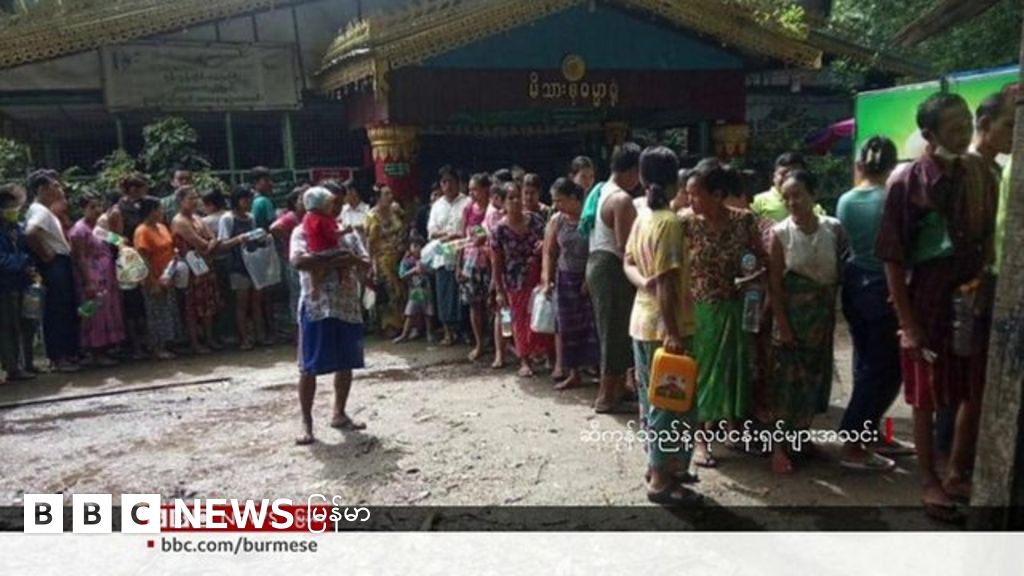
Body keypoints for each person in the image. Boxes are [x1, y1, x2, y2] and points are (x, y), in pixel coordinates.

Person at [876, 93, 998, 520]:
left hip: (970, 298)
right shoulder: (908, 182)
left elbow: (987, 237)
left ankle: (957, 472)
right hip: (925, 301)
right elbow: (892, 257)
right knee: (925, 394)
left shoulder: (979, 172)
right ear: (929, 135)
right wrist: (907, 324)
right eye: (954, 128)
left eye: (967, 124)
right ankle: (929, 479)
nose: (964, 133)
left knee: (971, 386)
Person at [623, 145, 697, 505]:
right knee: (671, 405)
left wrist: (644, 283)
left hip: (641, 322)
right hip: (665, 327)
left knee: (652, 403)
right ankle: (660, 478)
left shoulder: (643, 218)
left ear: (641, 177)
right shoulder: (669, 222)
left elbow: (628, 263)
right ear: (675, 182)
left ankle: (663, 466)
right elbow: (667, 282)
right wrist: (673, 331)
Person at [682, 159, 766, 468]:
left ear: (717, 194)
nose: (691, 200)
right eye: (688, 194)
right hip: (701, 310)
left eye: (696, 194)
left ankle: (734, 430)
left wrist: (752, 281)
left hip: (738, 307)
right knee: (705, 374)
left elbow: (761, 259)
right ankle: (701, 439)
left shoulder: (744, 221)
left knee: (736, 371)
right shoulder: (685, 223)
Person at [768, 170, 846, 474]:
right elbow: (775, 286)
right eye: (786, 198)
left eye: (798, 195)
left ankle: (801, 438)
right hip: (792, 321)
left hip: (821, 321)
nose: (792, 202)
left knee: (815, 382)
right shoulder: (780, 234)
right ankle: (778, 448)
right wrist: (784, 326)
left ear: (813, 194)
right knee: (787, 386)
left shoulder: (833, 229)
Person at [835, 136, 903, 471]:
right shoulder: (890, 200)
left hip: (854, 285)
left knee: (865, 363)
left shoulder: (846, 200)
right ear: (892, 165)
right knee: (885, 368)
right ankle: (853, 440)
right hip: (883, 288)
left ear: (861, 164)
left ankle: (868, 432)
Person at [291, 189, 371, 445]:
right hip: (317, 306)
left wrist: (349, 259)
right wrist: (339, 260)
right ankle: (307, 423)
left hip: (345, 304)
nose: (335, 207)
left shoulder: (347, 232)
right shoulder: (302, 230)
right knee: (309, 366)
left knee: (346, 361)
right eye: (331, 202)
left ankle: (339, 412)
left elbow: (364, 261)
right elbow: (298, 261)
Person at [587, 143, 641, 414]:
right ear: (632, 171)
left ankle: (617, 389)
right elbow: (625, 245)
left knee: (612, 330)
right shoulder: (621, 200)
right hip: (611, 267)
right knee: (614, 333)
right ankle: (606, 396)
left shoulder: (600, 190)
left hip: (597, 262)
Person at [542, 177, 598, 390]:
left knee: (591, 326)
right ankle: (573, 373)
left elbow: (596, 250)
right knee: (566, 327)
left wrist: (588, 278)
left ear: (574, 198)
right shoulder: (557, 220)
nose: (557, 205)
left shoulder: (589, 218)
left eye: (560, 200)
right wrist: (547, 279)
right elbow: (549, 252)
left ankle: (596, 369)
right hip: (565, 278)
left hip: (587, 278)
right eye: (555, 201)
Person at [490, 181, 551, 376]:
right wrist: (499, 290)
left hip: (538, 276)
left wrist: (543, 244)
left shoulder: (535, 220)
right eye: (511, 198)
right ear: (502, 203)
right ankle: (524, 360)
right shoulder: (499, 231)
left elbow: (550, 242)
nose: (516, 201)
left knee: (541, 313)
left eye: (518, 196)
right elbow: (496, 262)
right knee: (518, 320)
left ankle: (546, 354)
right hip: (515, 281)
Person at [24, 169, 80, 372]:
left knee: (63, 308)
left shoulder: (45, 211)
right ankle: (59, 357)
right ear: (42, 189)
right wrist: (45, 253)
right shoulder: (40, 211)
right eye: (54, 186)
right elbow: (31, 233)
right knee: (58, 309)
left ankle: (65, 354)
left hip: (59, 262)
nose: (59, 189)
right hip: (55, 264)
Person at [69, 191, 124, 366]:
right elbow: (80, 257)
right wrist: (88, 282)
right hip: (93, 277)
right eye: (92, 207)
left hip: (108, 276)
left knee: (108, 311)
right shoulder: (79, 231)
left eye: (99, 206)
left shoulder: (99, 228)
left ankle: (107, 349)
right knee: (94, 314)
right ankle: (95, 353)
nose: (97, 210)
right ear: (83, 209)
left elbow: (119, 241)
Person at [172, 186, 223, 355]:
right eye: (190, 198)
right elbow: (199, 243)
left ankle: (209, 339)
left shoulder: (197, 218)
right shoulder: (179, 221)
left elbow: (212, 238)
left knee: (208, 305)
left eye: (196, 198)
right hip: (191, 270)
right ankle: (195, 343)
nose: (195, 201)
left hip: (205, 266)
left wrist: (209, 246)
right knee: (192, 308)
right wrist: (208, 245)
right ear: (181, 201)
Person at [218, 186, 270, 350]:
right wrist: (239, 239)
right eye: (245, 199)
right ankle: (244, 338)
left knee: (256, 301)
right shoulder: (227, 219)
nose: (248, 202)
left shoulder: (251, 217)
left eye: (249, 199)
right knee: (242, 303)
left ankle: (260, 335)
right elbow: (222, 244)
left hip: (254, 263)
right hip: (237, 265)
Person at [107, 173, 151, 359]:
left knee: (141, 303)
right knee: (132, 303)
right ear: (132, 189)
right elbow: (111, 237)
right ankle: (135, 346)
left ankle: (145, 342)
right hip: (127, 260)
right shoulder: (117, 211)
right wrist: (123, 243)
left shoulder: (139, 206)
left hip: (140, 256)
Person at [428, 166, 471, 346]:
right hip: (443, 254)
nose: (448, 186)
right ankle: (448, 332)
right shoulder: (437, 205)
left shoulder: (467, 202)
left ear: (457, 183)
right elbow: (431, 231)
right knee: (444, 294)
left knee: (463, 295)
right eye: (444, 182)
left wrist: (459, 236)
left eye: (451, 181)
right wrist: (447, 235)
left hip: (464, 252)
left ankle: (466, 331)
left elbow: (472, 227)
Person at [133, 196, 180, 360]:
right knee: (155, 313)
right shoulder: (142, 231)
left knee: (167, 311)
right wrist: (152, 282)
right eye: (159, 209)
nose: (162, 212)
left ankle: (167, 343)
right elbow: (143, 259)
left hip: (168, 274)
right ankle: (156, 347)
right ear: (151, 211)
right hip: (153, 277)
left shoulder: (161, 227)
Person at [0, 183, 34, 381]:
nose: (14, 210)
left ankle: (27, 362)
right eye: (10, 207)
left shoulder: (17, 228)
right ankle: (12, 366)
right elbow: (3, 260)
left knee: (26, 324)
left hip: (22, 283)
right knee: (8, 327)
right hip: (6, 286)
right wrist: (23, 261)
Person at [458, 173, 492, 361]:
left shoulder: (493, 209)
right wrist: (459, 264)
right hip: (471, 262)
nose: (471, 193)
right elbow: (463, 238)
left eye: (475, 189)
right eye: (470, 190)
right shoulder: (468, 209)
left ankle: (498, 343)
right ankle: (479, 343)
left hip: (489, 261)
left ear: (486, 190)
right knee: (474, 304)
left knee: (492, 304)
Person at [365, 185, 406, 339]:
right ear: (378, 198)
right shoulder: (372, 216)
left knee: (402, 291)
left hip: (400, 257)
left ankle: (405, 323)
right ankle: (389, 325)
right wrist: (370, 264)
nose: (390, 196)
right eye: (386, 194)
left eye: (390, 193)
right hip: (383, 260)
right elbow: (370, 243)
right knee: (389, 291)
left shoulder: (395, 211)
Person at [201, 189, 235, 345]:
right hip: (234, 260)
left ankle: (221, 333)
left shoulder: (206, 221)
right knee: (231, 298)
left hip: (216, 262)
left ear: (210, 204)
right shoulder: (231, 215)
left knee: (218, 298)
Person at [751, 152, 824, 223]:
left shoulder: (815, 208)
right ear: (774, 176)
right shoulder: (758, 201)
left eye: (794, 174)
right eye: (783, 174)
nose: (788, 178)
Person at [271, 187, 307, 328]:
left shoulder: (306, 217)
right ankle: (296, 325)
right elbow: (274, 228)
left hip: (306, 259)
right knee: (297, 294)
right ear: (294, 202)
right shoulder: (291, 217)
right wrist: (290, 238)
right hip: (293, 261)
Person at [394, 235, 435, 343]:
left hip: (426, 290)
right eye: (415, 246)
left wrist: (425, 270)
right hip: (414, 291)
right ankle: (405, 334)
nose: (417, 249)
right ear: (410, 247)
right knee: (410, 313)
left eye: (420, 246)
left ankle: (429, 333)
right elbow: (402, 275)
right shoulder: (407, 261)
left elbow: (433, 271)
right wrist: (413, 271)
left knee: (428, 313)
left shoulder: (426, 259)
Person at [250, 167, 276, 231]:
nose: (271, 184)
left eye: (271, 180)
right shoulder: (263, 201)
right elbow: (273, 226)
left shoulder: (250, 199)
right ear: (255, 182)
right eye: (266, 180)